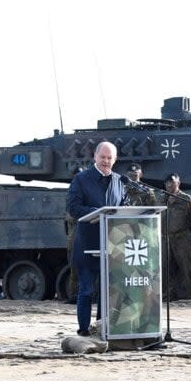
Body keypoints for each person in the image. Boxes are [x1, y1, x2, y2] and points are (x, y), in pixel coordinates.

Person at [66, 141, 127, 336]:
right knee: (86, 290)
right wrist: (97, 212)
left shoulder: (120, 181)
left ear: (115, 160)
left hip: (111, 244)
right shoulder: (81, 180)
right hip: (87, 244)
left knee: (106, 292)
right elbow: (73, 208)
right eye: (103, 157)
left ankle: (101, 328)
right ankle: (83, 330)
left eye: (110, 158)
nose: (106, 161)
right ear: (95, 156)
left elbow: (123, 208)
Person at [157, 173, 191, 300]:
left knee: (188, 268)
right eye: (167, 182)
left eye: (172, 182)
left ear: (178, 183)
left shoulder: (186, 199)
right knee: (165, 269)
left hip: (182, 238)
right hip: (165, 238)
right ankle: (168, 296)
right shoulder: (161, 199)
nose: (169, 185)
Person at [64, 166, 87, 304]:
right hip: (73, 236)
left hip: (83, 235)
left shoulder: (87, 192)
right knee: (73, 266)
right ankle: (73, 295)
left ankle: (86, 294)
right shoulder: (72, 193)